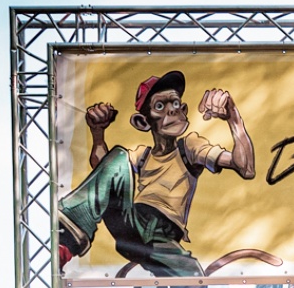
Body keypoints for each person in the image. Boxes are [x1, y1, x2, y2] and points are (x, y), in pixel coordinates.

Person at [56, 69, 257, 277]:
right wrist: (98, 133)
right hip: (134, 224)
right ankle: (66, 241)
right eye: (160, 106)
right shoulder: (142, 155)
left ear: (184, 110)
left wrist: (233, 117)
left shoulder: (189, 147)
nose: (172, 111)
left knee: (194, 277)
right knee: (118, 156)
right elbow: (105, 169)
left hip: (163, 240)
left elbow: (245, 167)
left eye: (175, 104)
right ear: (143, 122)